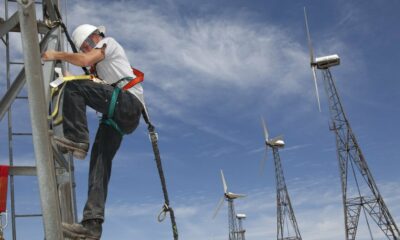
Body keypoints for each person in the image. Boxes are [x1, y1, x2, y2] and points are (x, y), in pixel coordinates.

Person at [42, 24, 145, 239]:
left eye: (90, 42)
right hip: (117, 117)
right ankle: (92, 225)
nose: (89, 47)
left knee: (73, 88)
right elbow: (90, 84)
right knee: (99, 164)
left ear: (98, 36)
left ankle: (78, 139)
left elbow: (86, 63)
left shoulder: (109, 44)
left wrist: (56, 55)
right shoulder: (100, 72)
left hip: (127, 104)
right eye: (85, 46)